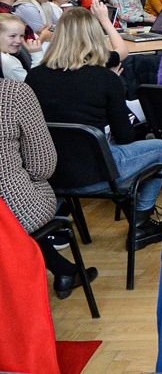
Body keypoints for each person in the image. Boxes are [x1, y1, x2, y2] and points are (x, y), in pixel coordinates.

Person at [24, 6, 162, 249]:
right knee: (161, 147)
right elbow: (125, 137)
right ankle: (141, 222)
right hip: (99, 173)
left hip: (51, 174)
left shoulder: (34, 77)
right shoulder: (105, 78)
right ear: (93, 36)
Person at [0, 78, 98, 299]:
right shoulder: (13, 92)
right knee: (29, 192)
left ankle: (62, 269)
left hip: (10, 211)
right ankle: (58, 271)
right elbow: (42, 166)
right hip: (14, 213)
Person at [0, 14, 42, 82]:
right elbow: (33, 84)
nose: (19, 41)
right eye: (12, 36)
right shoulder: (7, 61)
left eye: (21, 35)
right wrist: (37, 54)